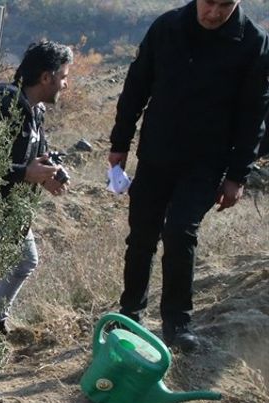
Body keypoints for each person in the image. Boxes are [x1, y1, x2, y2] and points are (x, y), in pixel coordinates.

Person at [109, 0, 269, 351]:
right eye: (208, 3)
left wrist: (237, 176)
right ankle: (129, 316)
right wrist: (119, 141)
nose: (212, 13)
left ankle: (178, 324)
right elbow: (137, 85)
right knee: (141, 236)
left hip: (206, 162)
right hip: (156, 153)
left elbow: (253, 114)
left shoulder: (253, 42)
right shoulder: (167, 27)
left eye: (223, 6)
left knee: (180, 232)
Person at [0, 40, 75, 336]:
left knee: (25, 260)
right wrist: (26, 173)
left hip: (12, 208)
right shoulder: (6, 102)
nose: (65, 83)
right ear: (46, 77)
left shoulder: (35, 111)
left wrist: (49, 171)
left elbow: (37, 156)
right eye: (63, 76)